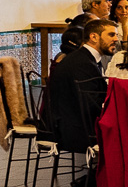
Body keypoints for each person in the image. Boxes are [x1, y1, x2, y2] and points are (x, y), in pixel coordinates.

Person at [44, 18, 115, 155]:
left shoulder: (82, 58)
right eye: (111, 35)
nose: (116, 39)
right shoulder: (83, 63)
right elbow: (90, 104)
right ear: (94, 37)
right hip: (74, 132)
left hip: (70, 125)